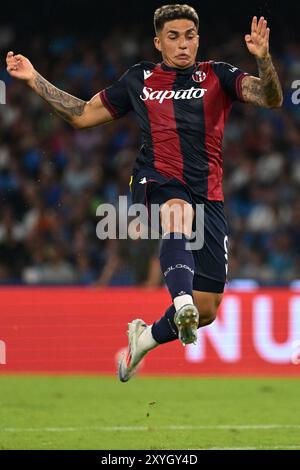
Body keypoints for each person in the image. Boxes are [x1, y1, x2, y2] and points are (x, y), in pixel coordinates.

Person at [6, 4, 283, 382]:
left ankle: (144, 339)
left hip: (209, 196)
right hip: (156, 179)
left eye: (189, 36)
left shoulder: (219, 75)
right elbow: (83, 115)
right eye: (173, 37)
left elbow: (270, 98)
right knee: (178, 214)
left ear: (198, 39)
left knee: (208, 309)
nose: (183, 44)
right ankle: (179, 300)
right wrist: (35, 78)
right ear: (158, 42)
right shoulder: (140, 79)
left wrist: (264, 60)